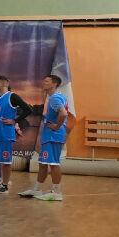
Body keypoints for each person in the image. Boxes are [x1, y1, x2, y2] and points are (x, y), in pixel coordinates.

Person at [25, 73, 71, 201]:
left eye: (47, 81)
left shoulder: (55, 98)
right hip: (50, 135)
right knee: (43, 163)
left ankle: (56, 192)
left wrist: (57, 126)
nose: (43, 83)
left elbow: (63, 113)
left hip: (53, 135)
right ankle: (37, 189)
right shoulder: (58, 97)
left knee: (53, 163)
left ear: (54, 84)